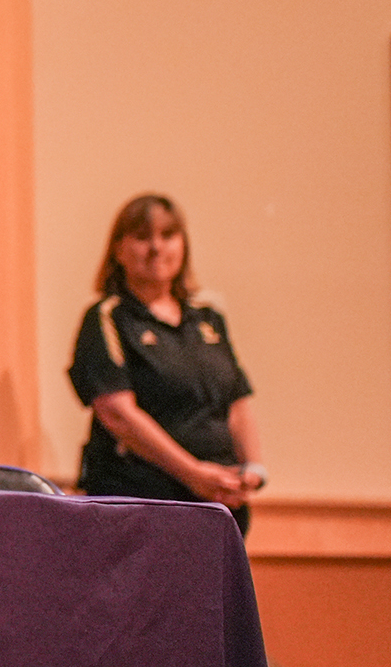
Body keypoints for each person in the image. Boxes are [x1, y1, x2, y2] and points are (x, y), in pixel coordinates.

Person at [68, 194, 264, 533]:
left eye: (168, 235)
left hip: (219, 504)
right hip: (143, 506)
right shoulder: (108, 318)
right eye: (143, 237)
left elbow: (236, 403)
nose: (156, 248)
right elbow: (118, 413)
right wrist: (193, 474)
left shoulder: (208, 319)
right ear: (119, 250)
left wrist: (253, 469)